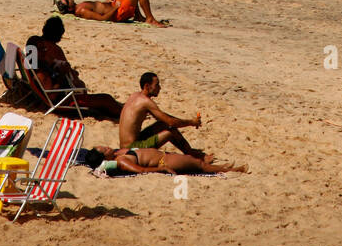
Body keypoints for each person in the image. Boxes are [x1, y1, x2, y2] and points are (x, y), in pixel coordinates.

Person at [24, 20, 122, 120]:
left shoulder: (35, 65)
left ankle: (117, 110)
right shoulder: (41, 74)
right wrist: (62, 75)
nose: (46, 51)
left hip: (64, 97)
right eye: (42, 49)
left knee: (105, 100)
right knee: (106, 99)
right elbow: (53, 96)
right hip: (66, 101)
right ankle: (122, 114)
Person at [119, 73, 203, 156]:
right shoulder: (146, 102)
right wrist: (192, 122)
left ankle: (190, 152)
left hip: (124, 146)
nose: (159, 88)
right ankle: (192, 154)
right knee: (171, 132)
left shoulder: (135, 96)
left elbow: (164, 117)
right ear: (147, 86)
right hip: (131, 149)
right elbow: (171, 122)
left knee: (162, 124)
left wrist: (189, 121)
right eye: (157, 85)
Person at [54, 0, 169, 27]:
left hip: (113, 5)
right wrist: (116, 8)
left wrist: (106, 2)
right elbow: (103, 18)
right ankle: (150, 19)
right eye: (67, 0)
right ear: (69, 7)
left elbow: (98, 8)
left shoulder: (79, 6)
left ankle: (138, 15)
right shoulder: (82, 11)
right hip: (118, 13)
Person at [82, 145, 246, 176]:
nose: (107, 146)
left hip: (164, 157)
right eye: (105, 149)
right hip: (164, 162)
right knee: (199, 165)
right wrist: (162, 169)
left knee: (192, 161)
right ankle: (230, 170)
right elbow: (141, 170)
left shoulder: (117, 154)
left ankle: (222, 167)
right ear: (105, 157)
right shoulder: (122, 161)